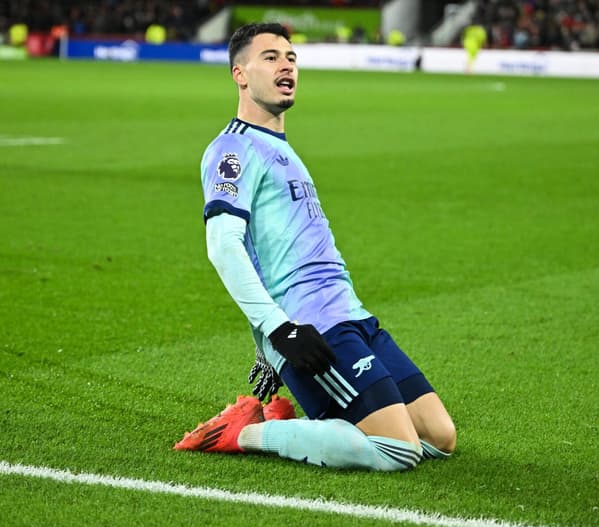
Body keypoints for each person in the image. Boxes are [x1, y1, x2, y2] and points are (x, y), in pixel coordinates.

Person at [174, 22, 456, 471]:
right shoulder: (233, 148)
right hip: (309, 328)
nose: (286, 64)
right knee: (399, 450)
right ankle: (246, 432)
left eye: (291, 57)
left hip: (352, 316)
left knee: (438, 437)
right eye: (270, 57)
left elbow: (276, 249)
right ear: (239, 74)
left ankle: (278, 415)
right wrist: (277, 333)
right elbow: (224, 246)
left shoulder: (282, 149)